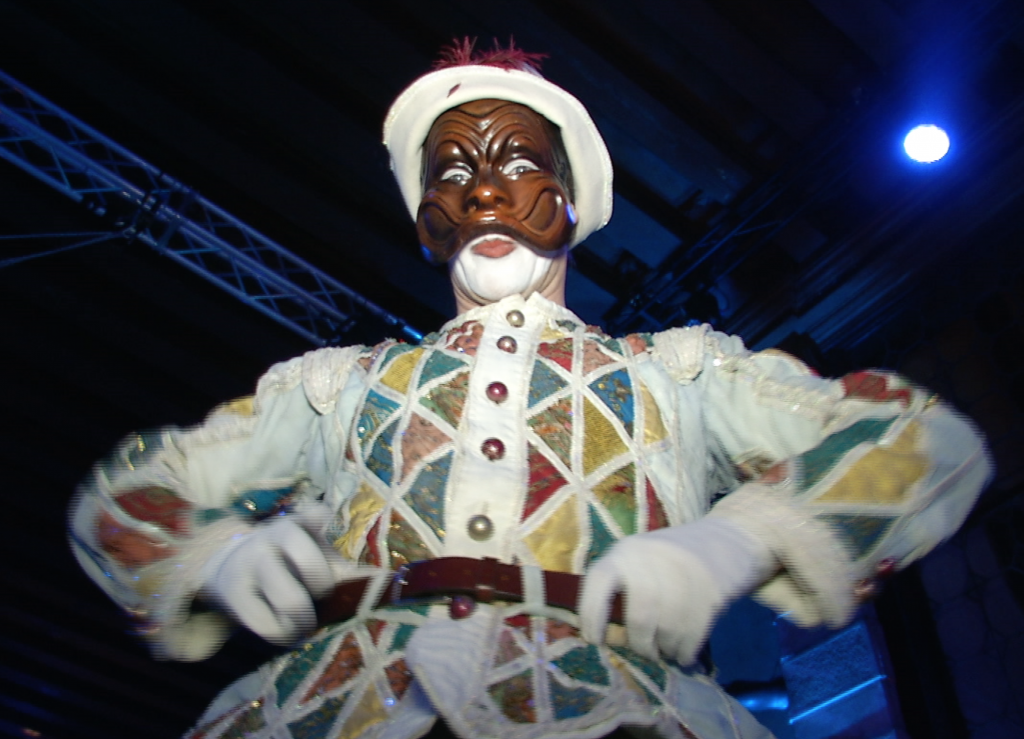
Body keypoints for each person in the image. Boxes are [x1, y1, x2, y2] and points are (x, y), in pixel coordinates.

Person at [70, 41, 992, 739]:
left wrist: (733, 541)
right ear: (427, 219)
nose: (482, 196)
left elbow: (922, 443)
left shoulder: (675, 372)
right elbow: (124, 496)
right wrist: (217, 555)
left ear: (570, 196)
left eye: (515, 166)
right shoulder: (333, 389)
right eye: (452, 175)